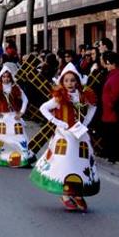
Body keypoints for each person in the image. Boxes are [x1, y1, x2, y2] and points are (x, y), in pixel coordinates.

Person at [30, 63, 98, 212]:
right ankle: (65, 195)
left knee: (79, 163)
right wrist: (57, 122)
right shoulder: (59, 97)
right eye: (66, 80)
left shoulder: (83, 95)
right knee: (64, 164)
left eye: (72, 80)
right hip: (64, 136)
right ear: (62, 81)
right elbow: (44, 108)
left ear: (77, 81)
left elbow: (93, 106)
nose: (69, 83)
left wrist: (86, 122)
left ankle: (78, 192)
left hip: (79, 134)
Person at [0, 64, 33, 167]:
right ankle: (1, 156)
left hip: (14, 115)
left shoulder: (15, 87)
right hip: (3, 117)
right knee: (2, 137)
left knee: (19, 136)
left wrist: (21, 113)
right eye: (4, 77)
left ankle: (24, 157)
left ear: (11, 77)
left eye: (8, 76)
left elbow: (25, 99)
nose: (6, 79)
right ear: (1, 77)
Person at [100, 51, 119, 163]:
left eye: (107, 63)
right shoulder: (113, 74)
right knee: (110, 133)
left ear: (111, 63)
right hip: (108, 109)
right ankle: (112, 153)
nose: (106, 66)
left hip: (112, 110)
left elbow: (116, 93)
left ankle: (116, 154)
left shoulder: (118, 75)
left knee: (115, 134)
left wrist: (109, 103)